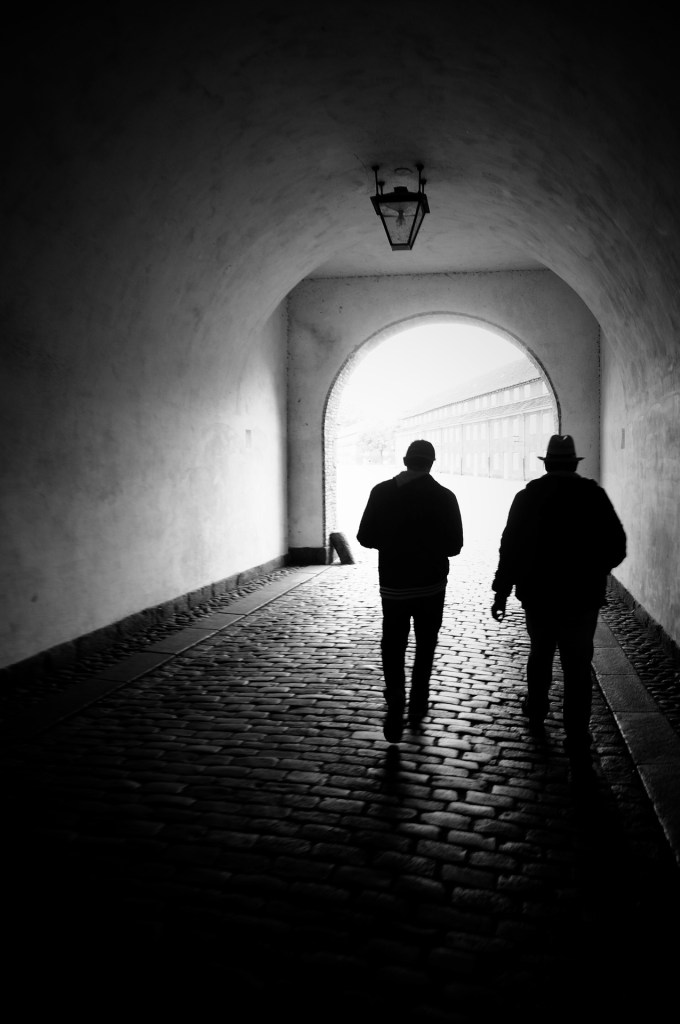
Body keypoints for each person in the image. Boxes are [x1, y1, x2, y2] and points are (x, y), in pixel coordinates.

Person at [491, 434, 626, 772]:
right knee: (577, 665)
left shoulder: (528, 496)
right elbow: (617, 546)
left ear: (548, 464)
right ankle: (576, 734)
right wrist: (594, 571)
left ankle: (537, 709)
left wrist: (502, 590)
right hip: (581, 598)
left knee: (540, 653)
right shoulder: (593, 496)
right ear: (573, 464)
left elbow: (510, 546)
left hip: (538, 595)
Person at [357, 439, 464, 743]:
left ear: (405, 461)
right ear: (431, 463)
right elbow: (454, 546)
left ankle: (395, 698)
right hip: (431, 585)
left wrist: (393, 543)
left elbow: (365, 536)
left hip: (394, 584)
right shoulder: (445, 497)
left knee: (393, 643)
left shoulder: (381, 492)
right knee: (426, 643)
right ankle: (418, 700)